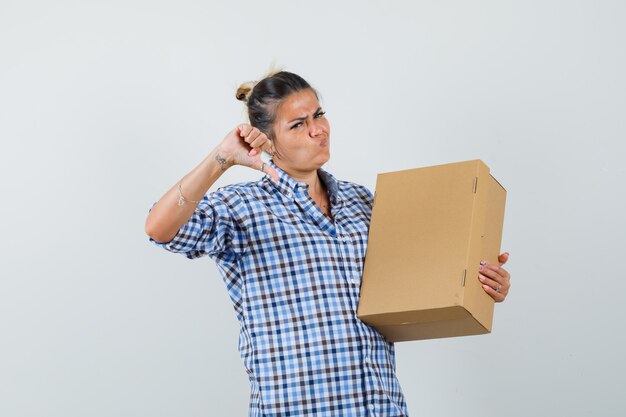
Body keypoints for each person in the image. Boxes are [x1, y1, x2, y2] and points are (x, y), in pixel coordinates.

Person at [144, 70, 512, 417]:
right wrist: (222, 158)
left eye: (318, 115)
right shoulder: (240, 208)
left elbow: (412, 285)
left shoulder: (363, 202)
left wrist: (478, 278)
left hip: (378, 404)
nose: (318, 130)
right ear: (267, 140)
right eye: (299, 124)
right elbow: (160, 230)